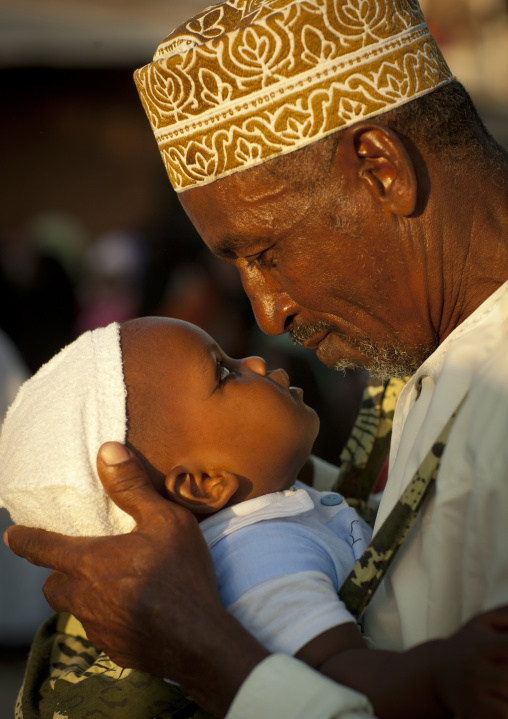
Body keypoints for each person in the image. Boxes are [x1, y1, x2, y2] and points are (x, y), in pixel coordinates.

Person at [5, 0, 508, 717]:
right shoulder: (429, 357)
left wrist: (210, 653)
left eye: (267, 251)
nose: (268, 313)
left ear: (379, 168)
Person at [0, 316, 475, 719]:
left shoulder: (273, 512)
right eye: (225, 374)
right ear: (204, 484)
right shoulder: (263, 556)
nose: (255, 363)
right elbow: (341, 673)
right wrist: (448, 670)